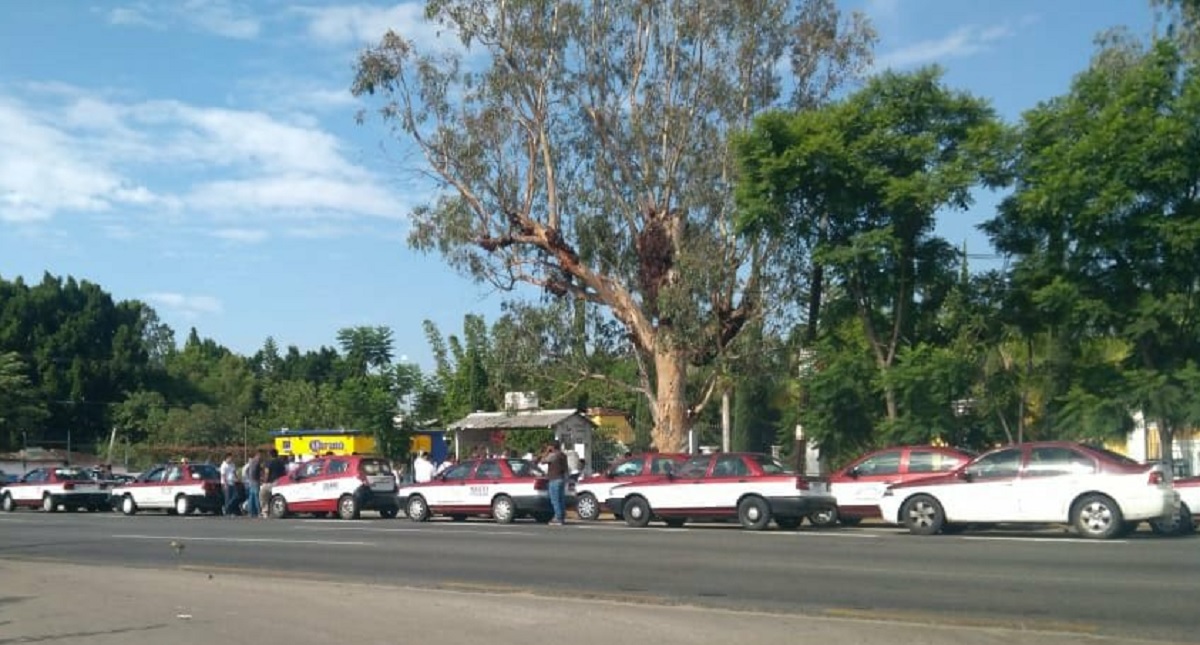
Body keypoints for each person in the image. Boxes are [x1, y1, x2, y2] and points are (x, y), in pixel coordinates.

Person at [539, 441, 568, 525]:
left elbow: (542, 461)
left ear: (552, 447)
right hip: (562, 479)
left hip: (554, 479)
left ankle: (558, 518)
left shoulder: (553, 455)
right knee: (561, 499)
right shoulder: (563, 455)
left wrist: (547, 452)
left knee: (555, 500)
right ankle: (562, 516)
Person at [259, 449, 287, 517]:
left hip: (271, 483)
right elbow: (285, 472)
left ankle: (265, 511)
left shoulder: (269, 462)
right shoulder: (281, 462)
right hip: (280, 482)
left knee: (262, 495)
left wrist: (264, 481)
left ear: (270, 454)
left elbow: (267, 473)